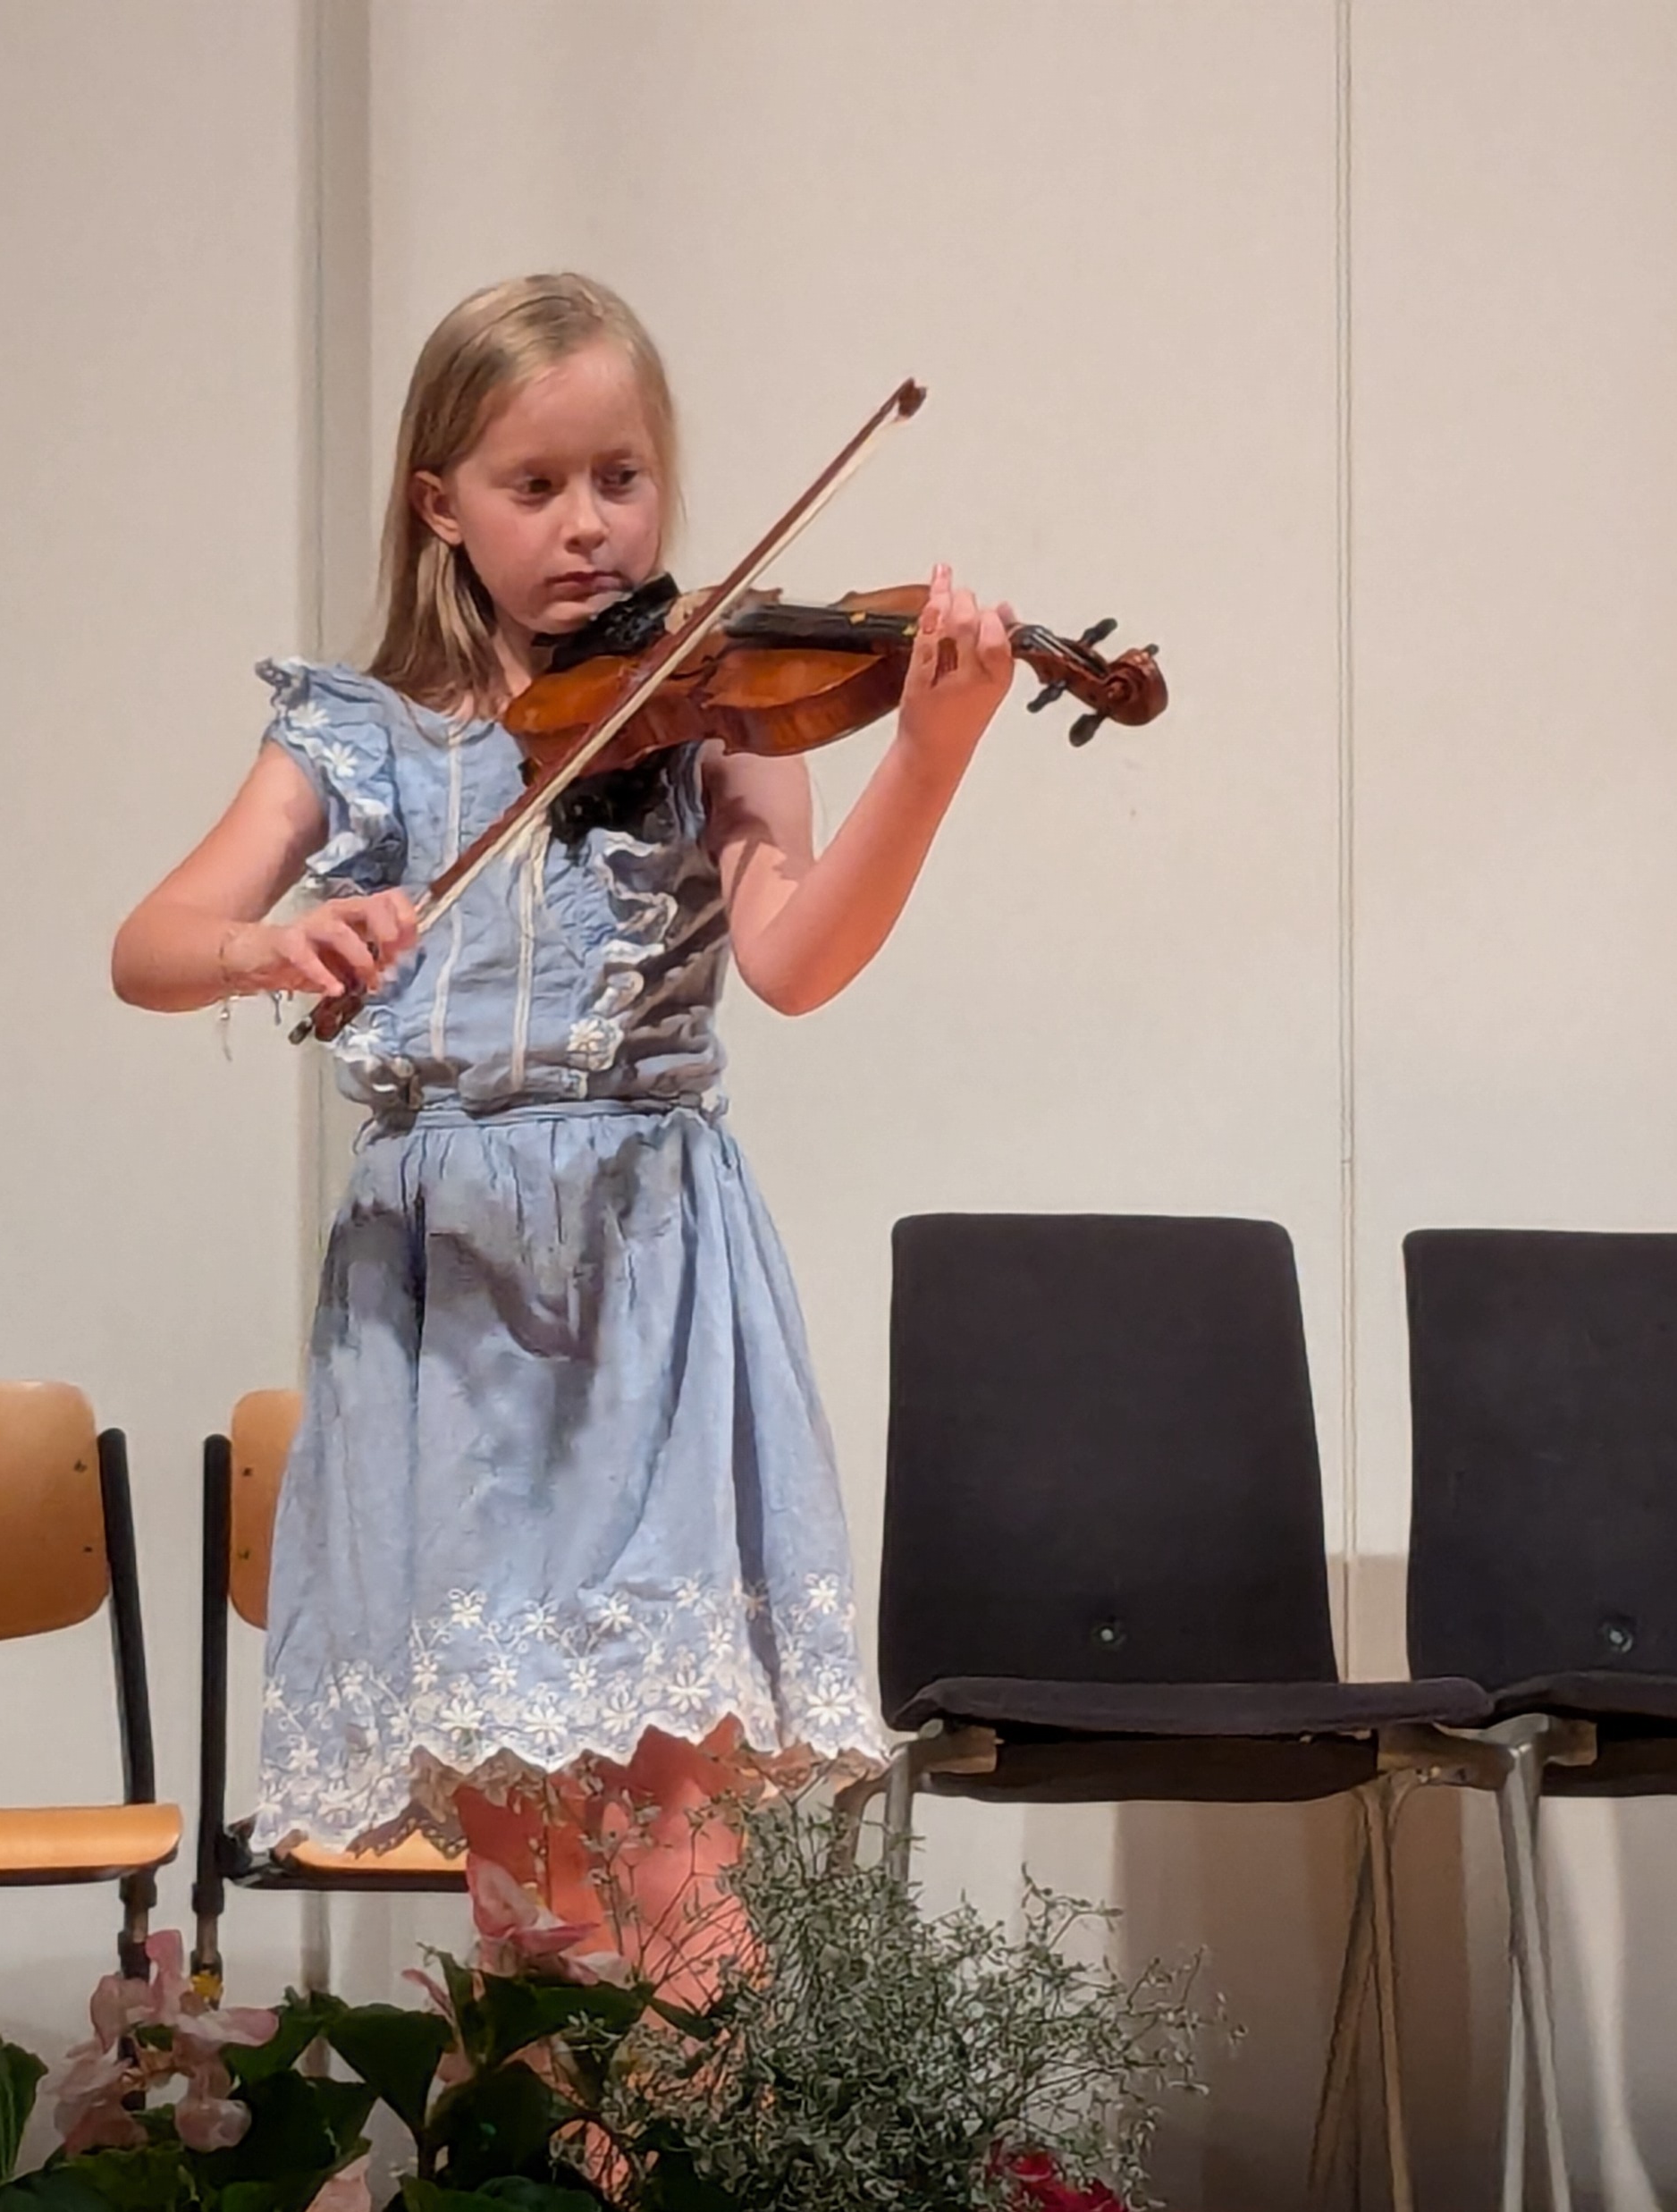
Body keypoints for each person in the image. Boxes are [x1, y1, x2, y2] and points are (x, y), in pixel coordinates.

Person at [112, 271, 1025, 1990]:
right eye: (535, 488)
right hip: (446, 1304)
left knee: (675, 1850)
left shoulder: (720, 714)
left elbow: (798, 958)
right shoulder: (359, 739)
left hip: (646, 1279)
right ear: (438, 506)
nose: (590, 527)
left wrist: (934, 755)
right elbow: (148, 948)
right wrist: (267, 943)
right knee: (531, 1868)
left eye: (623, 477)